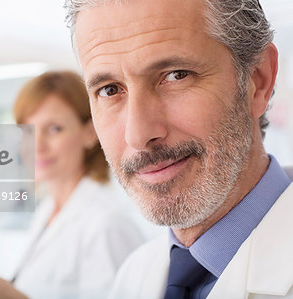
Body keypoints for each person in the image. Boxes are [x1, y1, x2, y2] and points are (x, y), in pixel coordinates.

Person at [64, 0, 293, 298]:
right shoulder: (135, 275)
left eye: (175, 75)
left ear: (257, 80)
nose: (138, 135)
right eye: (110, 90)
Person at [0, 71, 145, 299]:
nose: (37, 144)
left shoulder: (106, 225)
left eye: (54, 129)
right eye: (27, 130)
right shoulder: (48, 211)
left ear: (90, 133)